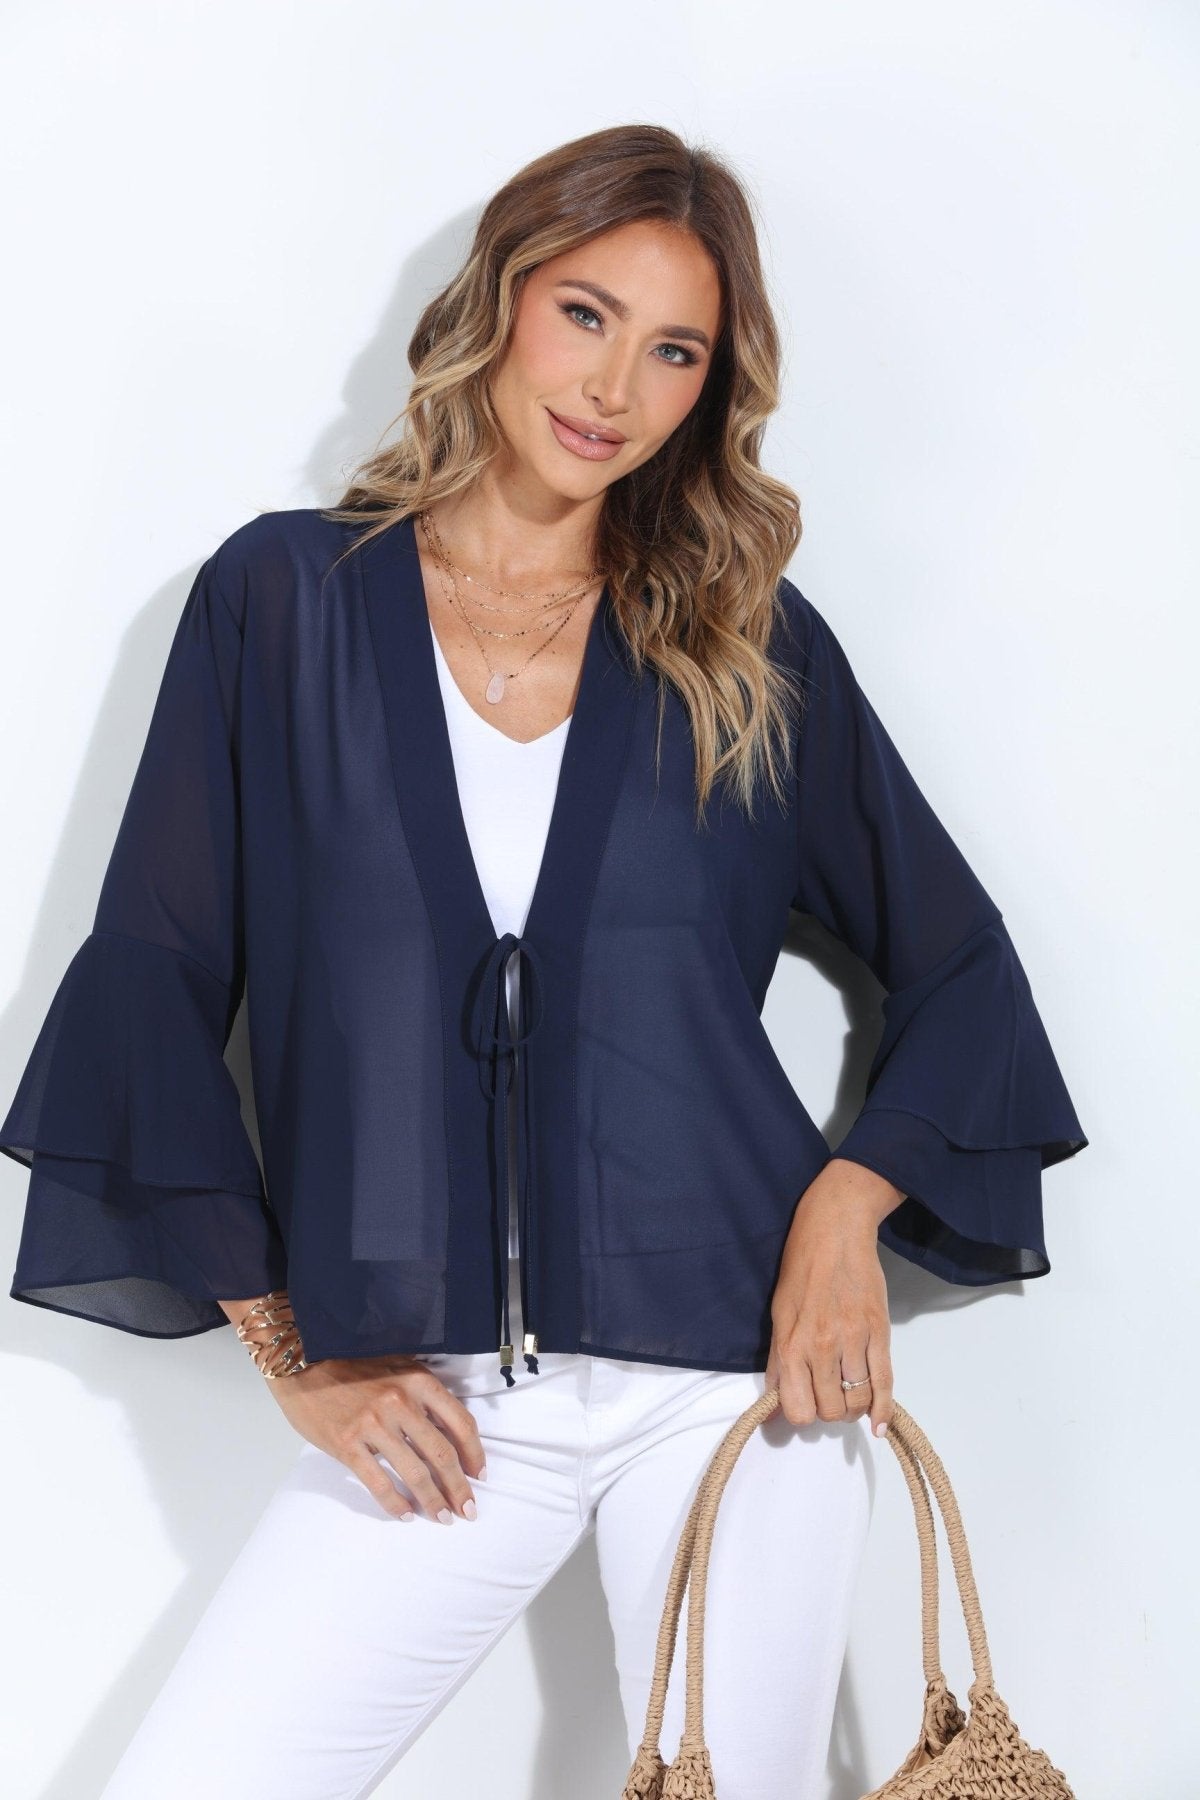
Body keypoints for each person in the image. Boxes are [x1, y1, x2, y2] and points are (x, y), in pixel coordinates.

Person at [1, 124, 1088, 1799]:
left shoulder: (741, 647)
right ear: (499, 300)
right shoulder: (283, 603)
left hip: (742, 1386)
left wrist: (846, 1207)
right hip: (435, 1405)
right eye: (586, 314)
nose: (614, 388)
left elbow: (967, 968)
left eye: (675, 351)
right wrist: (293, 1349)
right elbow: (150, 974)